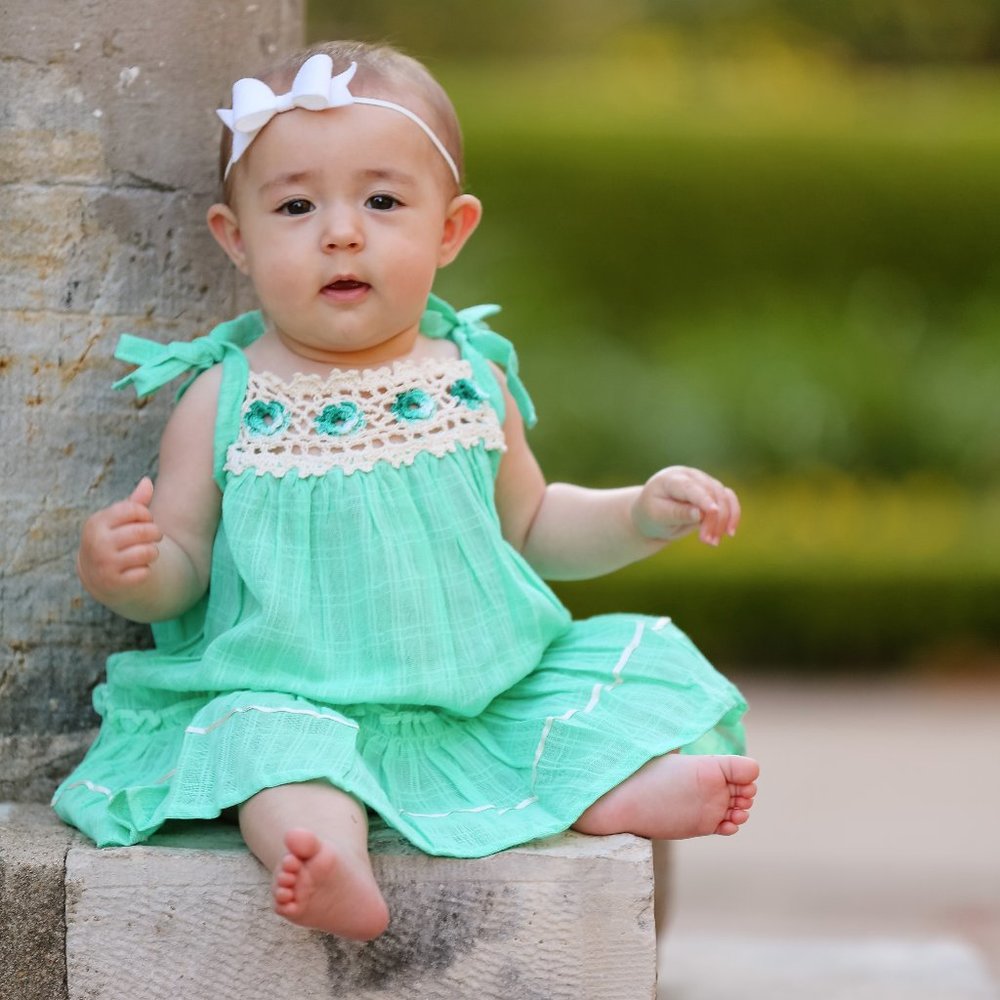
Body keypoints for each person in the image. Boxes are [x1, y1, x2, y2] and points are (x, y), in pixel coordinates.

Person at [55, 40, 759, 941]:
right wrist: (128, 570)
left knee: (605, 689)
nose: (341, 233)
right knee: (265, 752)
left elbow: (533, 523)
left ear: (450, 231)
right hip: (294, 695)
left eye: (382, 202)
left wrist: (637, 513)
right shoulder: (224, 399)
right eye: (296, 205)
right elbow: (184, 566)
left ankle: (619, 792)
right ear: (236, 238)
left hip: (482, 693)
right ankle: (327, 853)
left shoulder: (469, 380)